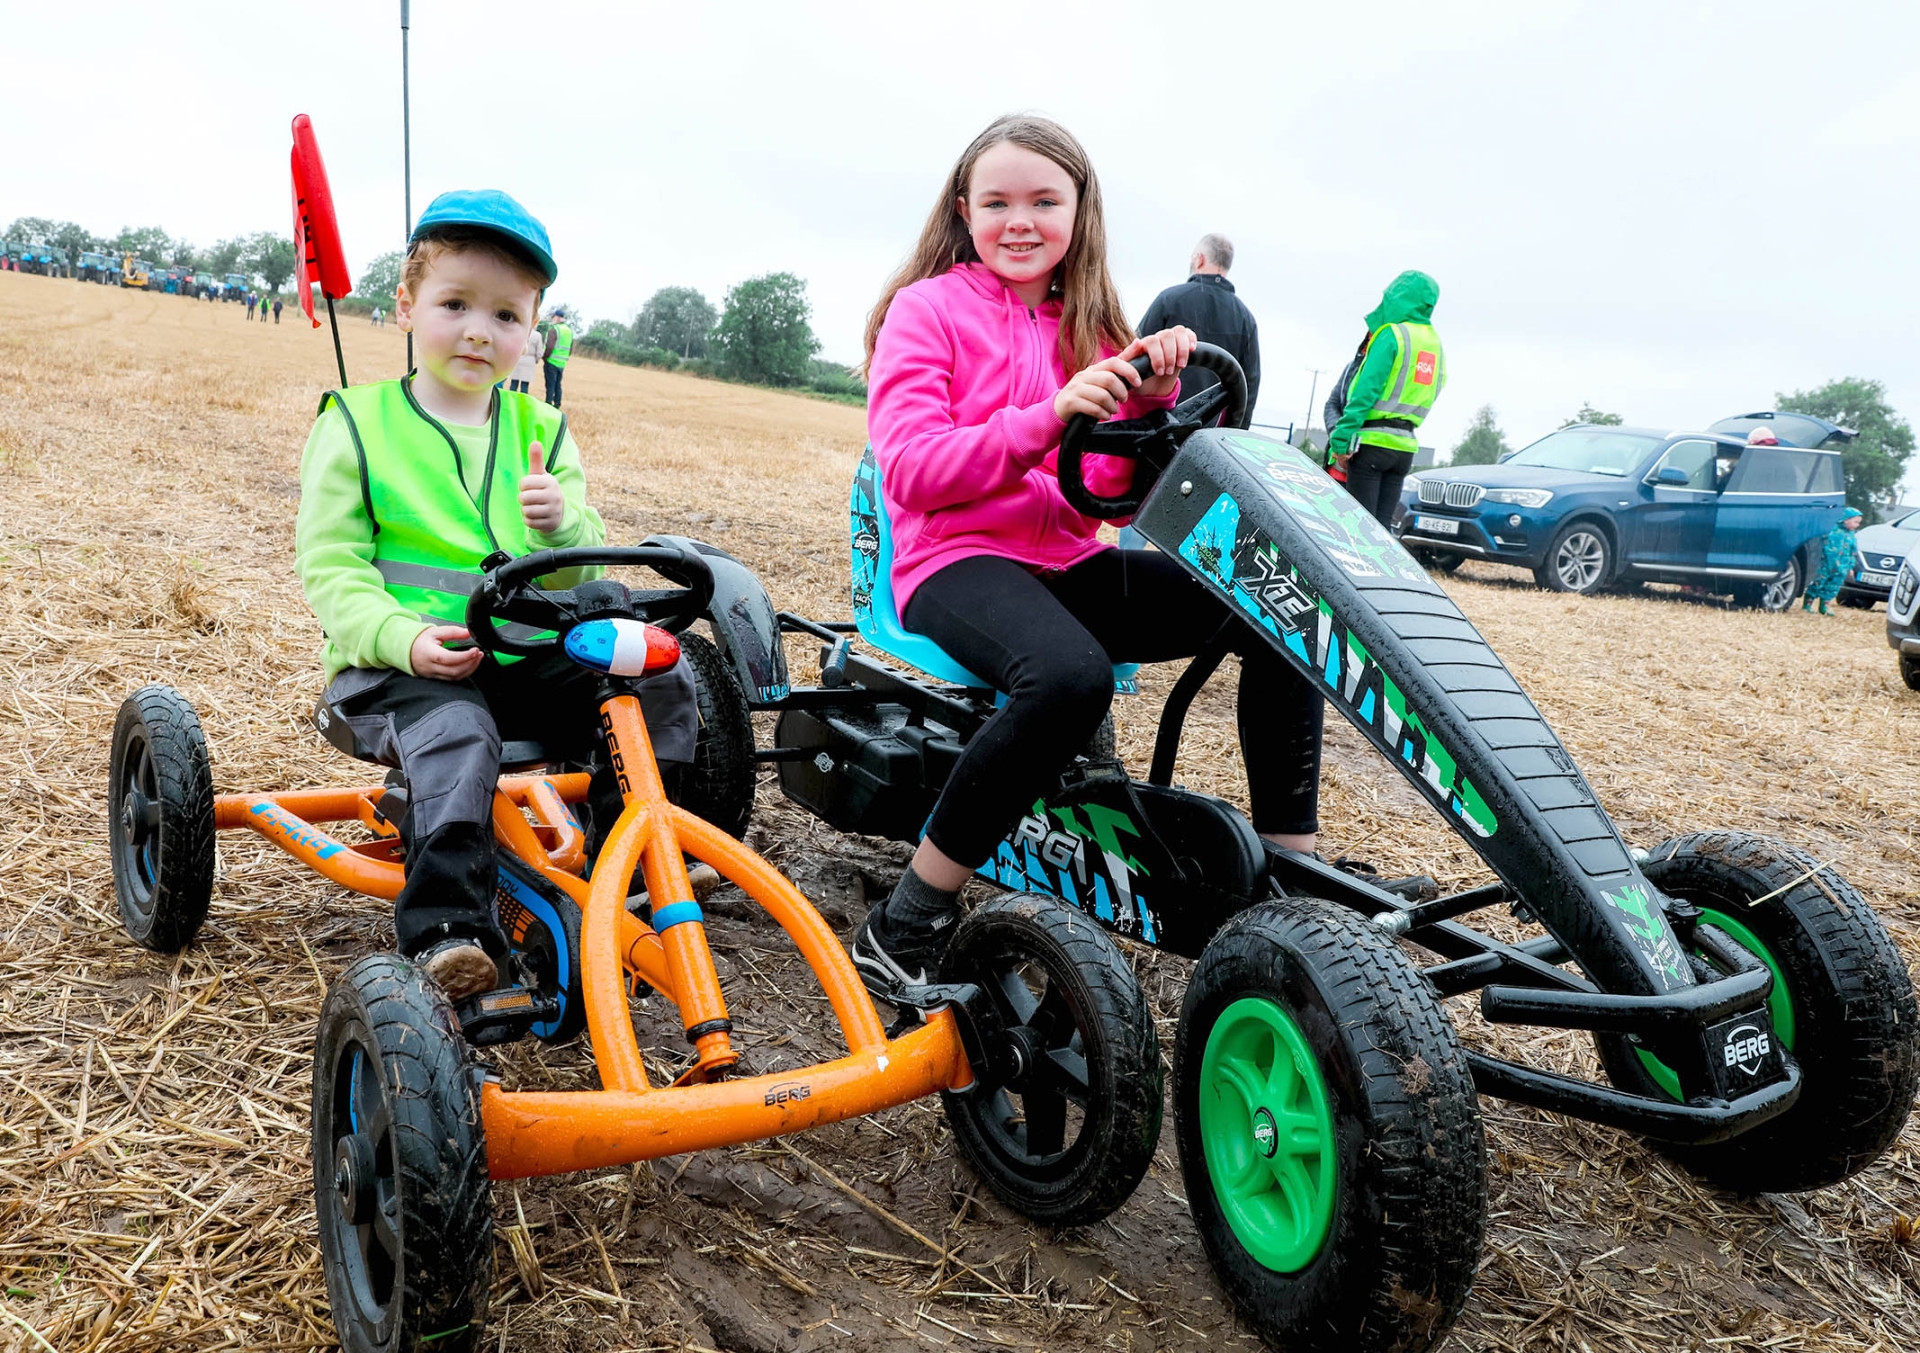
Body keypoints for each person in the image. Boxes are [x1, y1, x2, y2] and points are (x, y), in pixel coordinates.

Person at [849, 114, 1326, 998]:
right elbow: (912, 472)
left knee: (1280, 607)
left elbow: (1105, 491)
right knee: (1071, 678)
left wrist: (1151, 401)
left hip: (1065, 559)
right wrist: (1047, 417)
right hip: (950, 559)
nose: (1019, 221)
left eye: (1043, 201)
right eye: (997, 202)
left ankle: (1298, 879)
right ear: (964, 209)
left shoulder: (1095, 327)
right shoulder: (927, 310)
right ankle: (904, 920)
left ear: (1079, 212)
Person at [294, 188, 697, 1002]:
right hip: (397, 672)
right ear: (406, 307)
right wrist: (403, 637)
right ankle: (449, 929)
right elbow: (332, 567)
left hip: (520, 664)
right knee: (458, 731)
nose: (480, 330)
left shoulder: (541, 431)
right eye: (456, 304)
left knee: (655, 670)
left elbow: (577, 572)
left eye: (506, 315)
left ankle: (638, 870)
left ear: (533, 331)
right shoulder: (358, 424)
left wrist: (562, 526)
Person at [1324, 271, 1446, 529]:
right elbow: (1437, 386)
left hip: (1371, 445)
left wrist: (1341, 440)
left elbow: (1364, 392)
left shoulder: (1392, 334)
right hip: (1405, 448)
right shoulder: (1435, 344)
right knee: (1382, 530)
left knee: (1360, 528)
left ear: (1399, 296)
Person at [1137, 233, 1261, 427]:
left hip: (1157, 431)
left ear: (1199, 259)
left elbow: (1135, 359)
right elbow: (1249, 387)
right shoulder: (1247, 320)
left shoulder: (1169, 300)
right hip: (1208, 438)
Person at [1804, 506, 1866, 614]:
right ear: (1845, 520)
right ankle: (1807, 604)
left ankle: (1824, 606)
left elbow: (1852, 551)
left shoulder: (1851, 536)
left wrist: (1850, 566)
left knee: (1833, 586)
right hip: (1825, 565)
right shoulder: (1832, 531)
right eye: (1855, 522)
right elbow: (1823, 547)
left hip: (1842, 567)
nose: (1857, 525)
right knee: (1818, 583)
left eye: (1858, 523)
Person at [544, 309, 573, 407]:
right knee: (558, 384)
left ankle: (548, 403)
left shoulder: (555, 329)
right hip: (562, 363)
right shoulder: (569, 331)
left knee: (550, 384)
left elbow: (549, 346)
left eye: (554, 317)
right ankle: (557, 403)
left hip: (551, 361)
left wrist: (545, 357)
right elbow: (570, 348)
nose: (552, 319)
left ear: (557, 318)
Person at [509, 317, 545, 393]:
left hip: (518, 359)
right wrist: (536, 360)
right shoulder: (537, 335)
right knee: (525, 385)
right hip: (529, 361)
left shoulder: (520, 332)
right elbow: (539, 352)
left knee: (514, 384)